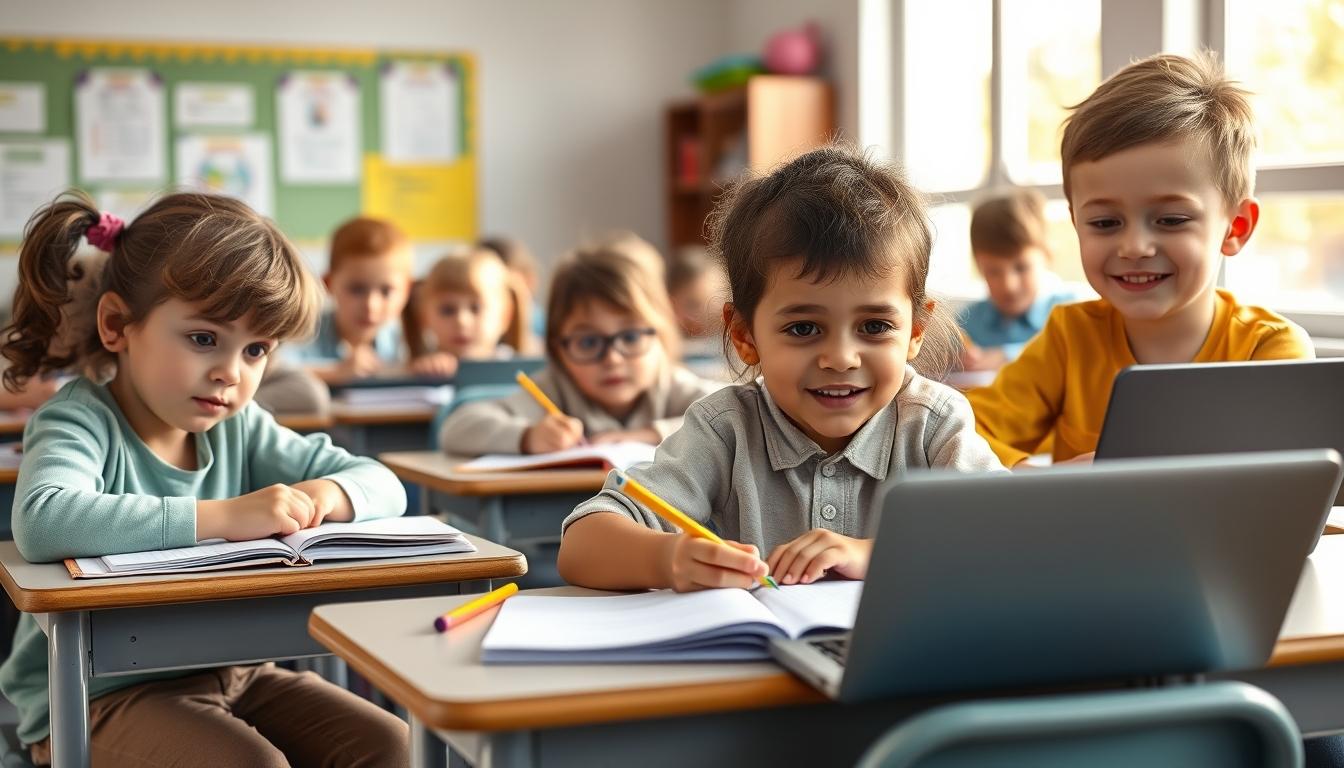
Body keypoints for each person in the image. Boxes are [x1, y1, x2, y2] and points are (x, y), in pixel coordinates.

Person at [0, 191, 408, 767]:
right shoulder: (79, 418)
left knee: (392, 745)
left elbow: (383, 483)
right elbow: (44, 518)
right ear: (117, 324)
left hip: (233, 672)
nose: (229, 373)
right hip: (95, 694)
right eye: (203, 338)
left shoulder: (239, 425)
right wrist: (222, 518)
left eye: (257, 349)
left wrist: (329, 493)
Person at [556, 145, 1003, 593]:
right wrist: (670, 558)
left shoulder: (933, 423)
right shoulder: (725, 429)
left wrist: (873, 553)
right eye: (805, 327)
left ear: (915, 330)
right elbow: (583, 543)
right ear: (746, 335)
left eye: (875, 326)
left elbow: (1008, 534)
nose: (841, 358)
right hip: (756, 661)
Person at [966, 52, 1313, 469]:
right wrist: (1039, 479)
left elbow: (1282, 493)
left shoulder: (1269, 350)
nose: (1134, 246)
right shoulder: (1068, 339)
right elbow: (964, 437)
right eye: (1105, 222)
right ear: (1076, 223)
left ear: (1235, 227)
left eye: (1170, 219)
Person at [438, 244, 720, 455]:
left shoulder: (670, 383)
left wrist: (647, 434)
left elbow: (730, 414)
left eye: (631, 337)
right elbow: (457, 427)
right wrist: (528, 436)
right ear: (558, 349)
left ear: (661, 337)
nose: (612, 358)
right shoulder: (554, 389)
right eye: (588, 343)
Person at [958, 189, 1075, 371]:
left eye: (1021, 268)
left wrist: (1009, 355)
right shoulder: (967, 321)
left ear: (1047, 254)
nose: (1009, 285)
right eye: (993, 271)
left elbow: (1071, 352)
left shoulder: (1070, 312)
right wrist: (952, 357)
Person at [286, 216, 413, 382]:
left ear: (407, 290)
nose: (371, 305)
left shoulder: (408, 338)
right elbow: (274, 372)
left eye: (386, 291)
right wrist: (337, 372)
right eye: (357, 289)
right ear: (328, 284)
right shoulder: (306, 330)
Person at [408, 248, 531, 375]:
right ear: (424, 317)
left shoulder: (518, 371)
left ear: (505, 316)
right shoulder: (423, 369)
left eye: (476, 308)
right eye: (447, 310)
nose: (461, 321)